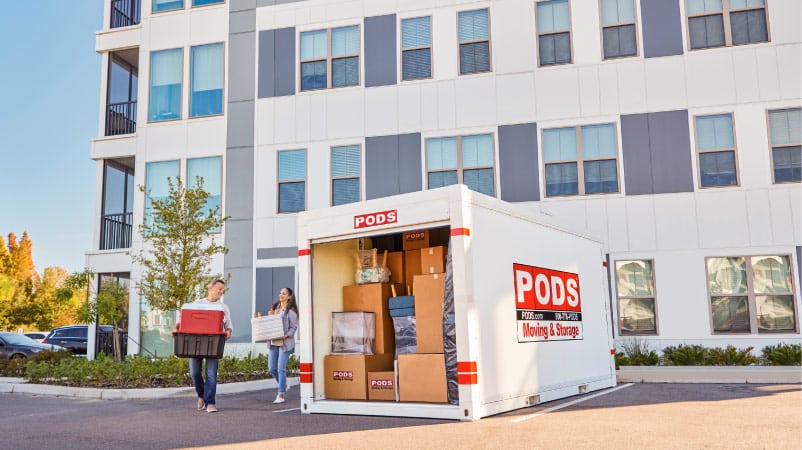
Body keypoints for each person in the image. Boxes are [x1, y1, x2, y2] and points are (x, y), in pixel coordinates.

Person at [173, 278, 233, 413]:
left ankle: (210, 403)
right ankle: (201, 395)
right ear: (210, 288)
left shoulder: (223, 307)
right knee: (194, 372)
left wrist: (228, 331)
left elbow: (228, 324)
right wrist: (176, 327)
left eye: (222, 289)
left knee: (211, 374)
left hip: (214, 343)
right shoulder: (197, 303)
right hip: (195, 342)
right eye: (219, 289)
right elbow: (183, 318)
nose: (221, 292)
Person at [267, 287, 299, 404]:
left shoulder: (291, 311)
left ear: (289, 297)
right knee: (272, 368)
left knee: (281, 368)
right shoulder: (275, 307)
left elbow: (294, 327)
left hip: (285, 343)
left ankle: (281, 394)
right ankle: (284, 384)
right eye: (280, 293)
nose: (281, 295)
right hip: (274, 342)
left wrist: (286, 335)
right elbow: (270, 323)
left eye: (284, 293)